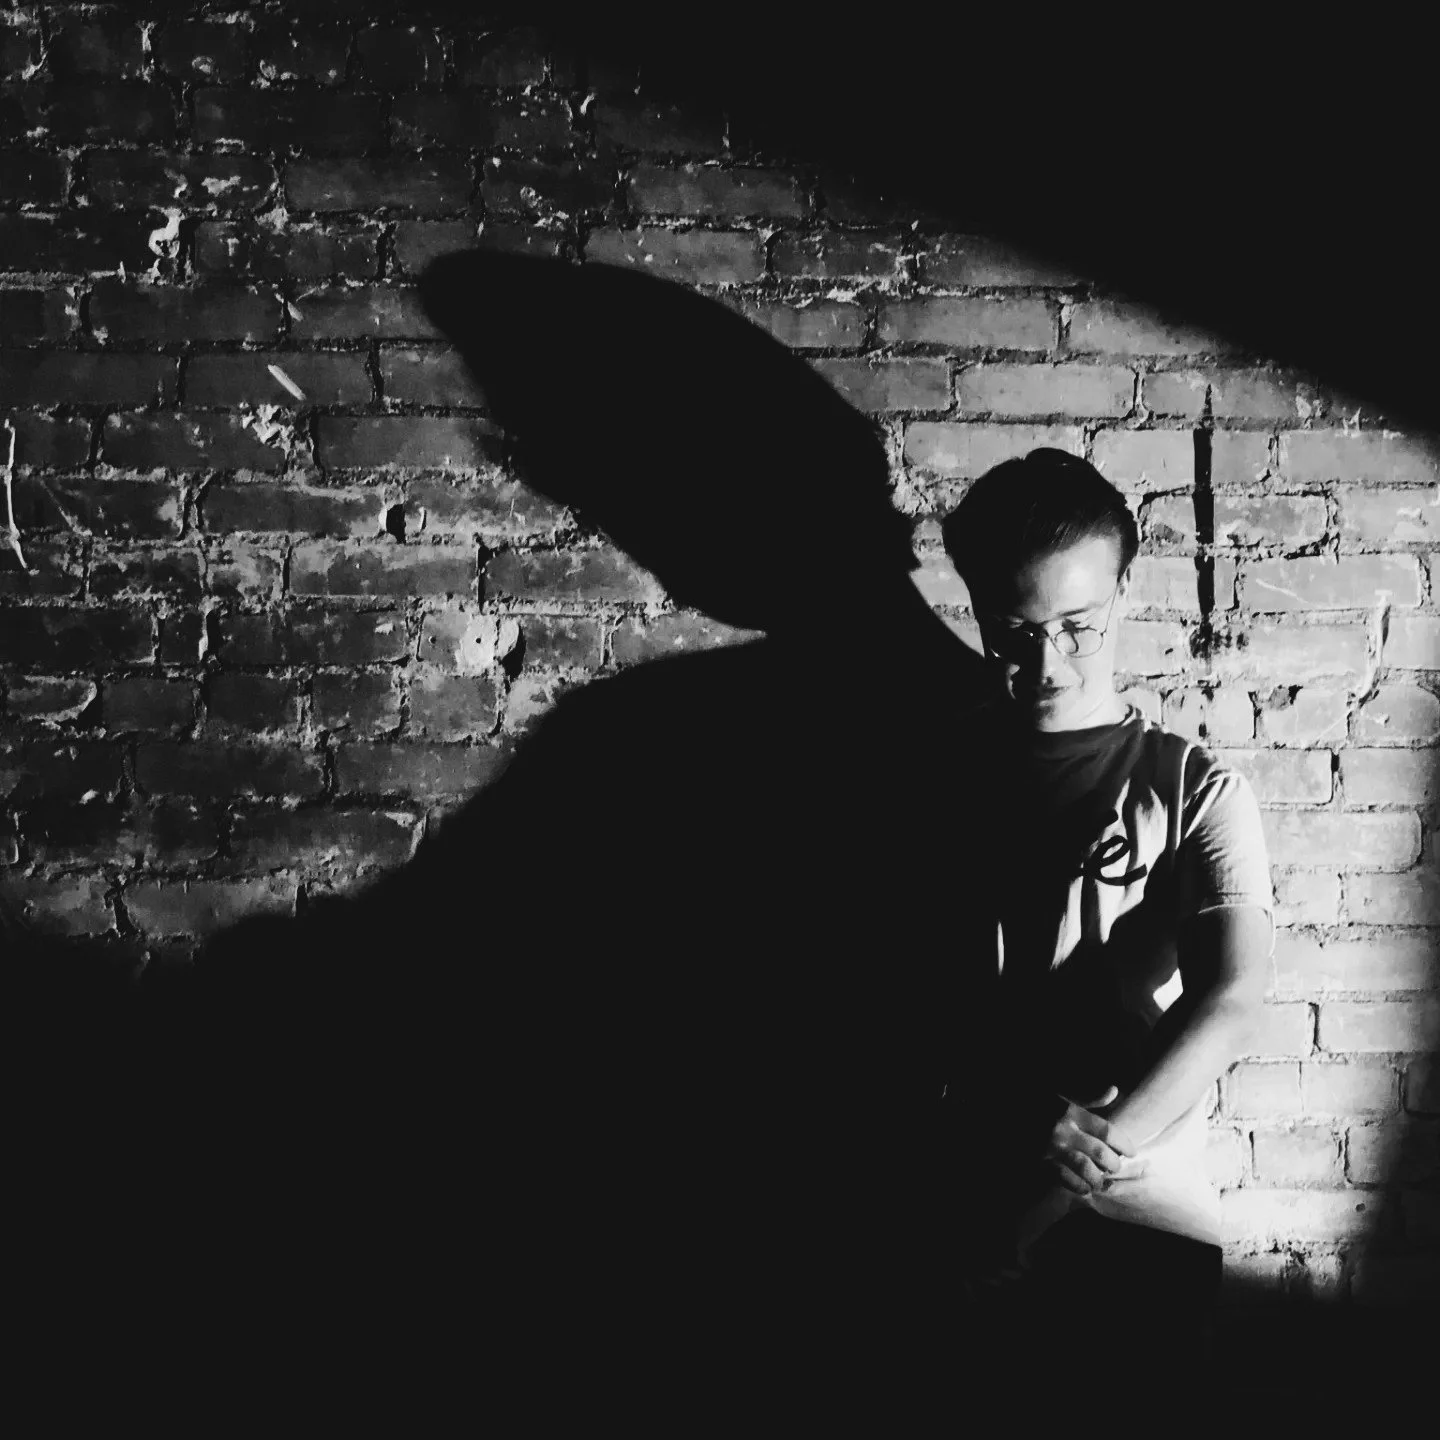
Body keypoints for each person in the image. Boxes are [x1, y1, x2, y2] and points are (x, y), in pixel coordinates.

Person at [936, 448, 1273, 1367]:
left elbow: (1236, 1000)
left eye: (1079, 626)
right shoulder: (928, 784)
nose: (1047, 661)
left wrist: (1053, 1188)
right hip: (960, 1218)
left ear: (1124, 591)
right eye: (1012, 629)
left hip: (1140, 1218)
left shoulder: (1196, 789)